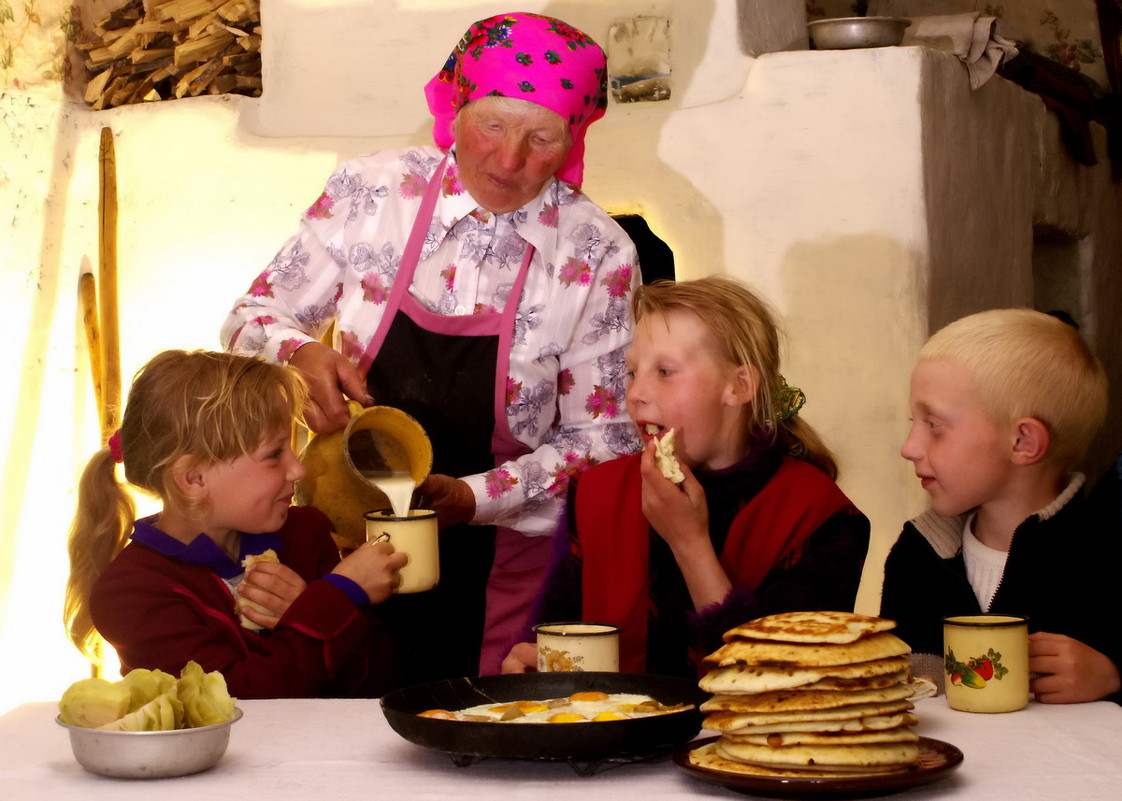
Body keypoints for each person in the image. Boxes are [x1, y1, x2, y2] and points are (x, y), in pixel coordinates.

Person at [220, 13, 640, 680]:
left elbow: (608, 442)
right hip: (339, 544)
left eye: (541, 138)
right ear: (456, 106)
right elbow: (251, 315)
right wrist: (298, 353)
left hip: (504, 567)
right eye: (492, 125)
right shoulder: (374, 193)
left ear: (573, 139)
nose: (509, 160)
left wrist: (476, 497)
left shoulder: (598, 253)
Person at [502, 277, 871, 677]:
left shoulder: (819, 514)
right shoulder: (596, 493)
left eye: (664, 371)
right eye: (631, 372)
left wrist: (689, 542)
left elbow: (786, 685)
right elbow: (556, 634)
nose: (637, 393)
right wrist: (533, 662)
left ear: (738, 386)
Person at [64, 350, 406, 698]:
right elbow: (238, 703)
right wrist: (337, 597)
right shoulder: (131, 593)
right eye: (274, 455)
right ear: (194, 478)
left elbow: (376, 682)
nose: (298, 469)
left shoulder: (305, 533)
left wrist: (313, 606)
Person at [880, 308, 1122, 704]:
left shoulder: (1106, 552)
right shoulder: (915, 556)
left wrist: (1114, 675)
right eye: (913, 422)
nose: (909, 448)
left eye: (934, 425)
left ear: (1023, 442)